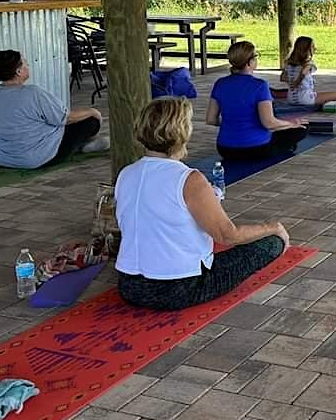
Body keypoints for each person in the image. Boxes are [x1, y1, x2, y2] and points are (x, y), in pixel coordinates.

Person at [116, 97, 290, 311]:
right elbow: (227, 236)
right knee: (271, 242)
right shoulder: (189, 179)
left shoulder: (126, 174)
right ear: (182, 131)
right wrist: (272, 227)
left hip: (128, 285)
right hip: (179, 289)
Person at [0, 49, 108, 169]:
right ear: (18, 72)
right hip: (38, 158)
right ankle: (84, 146)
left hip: (5, 158)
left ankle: (83, 146)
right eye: (25, 63)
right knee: (90, 120)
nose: (28, 65)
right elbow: (64, 118)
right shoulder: (32, 92)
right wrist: (93, 112)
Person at [206, 41, 307, 161]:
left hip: (225, 149)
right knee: (302, 129)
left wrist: (233, 124)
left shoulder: (220, 84)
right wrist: (292, 124)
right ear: (249, 63)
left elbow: (211, 120)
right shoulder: (260, 85)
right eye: (255, 56)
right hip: (257, 149)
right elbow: (269, 123)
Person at [280, 36, 336, 107]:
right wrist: (296, 82)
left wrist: (291, 81)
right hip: (306, 99)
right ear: (306, 50)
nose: (315, 48)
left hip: (291, 99)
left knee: (315, 93)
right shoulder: (309, 64)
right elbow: (303, 72)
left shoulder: (288, 63)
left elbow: (282, 78)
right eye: (312, 46)